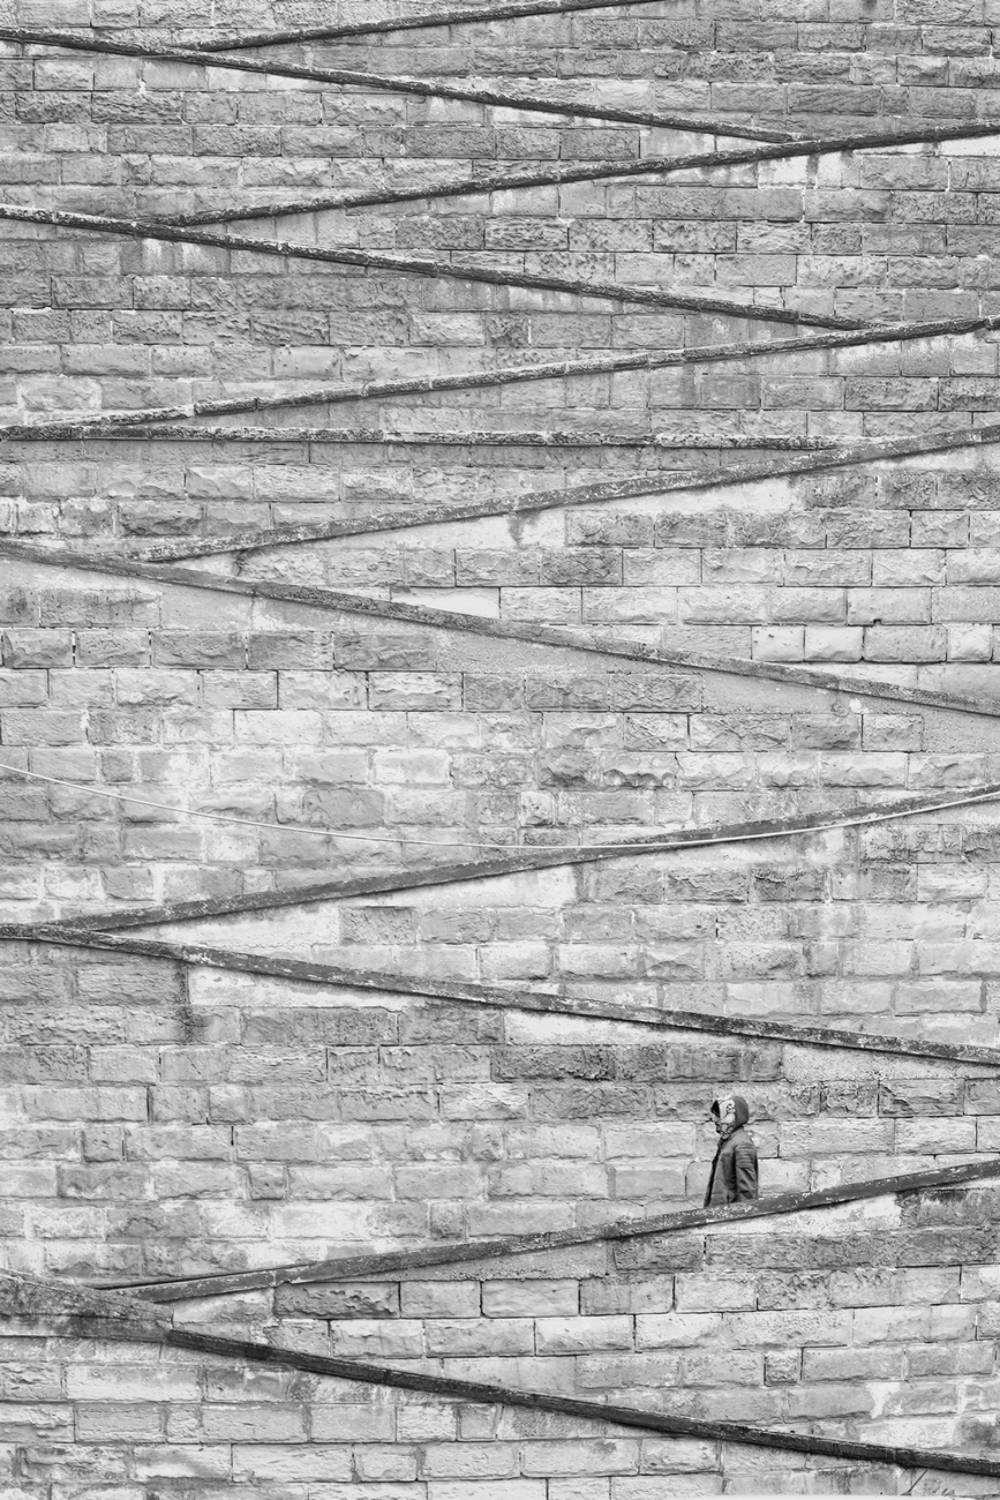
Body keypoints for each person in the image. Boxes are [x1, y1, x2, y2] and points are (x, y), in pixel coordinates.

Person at [703, 1094, 758, 1208]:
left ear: (733, 1116)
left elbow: (747, 1192)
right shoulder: (728, 1141)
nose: (714, 1119)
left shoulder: (742, 1144)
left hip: (728, 1218)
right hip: (719, 1215)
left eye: (719, 1115)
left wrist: (740, 1223)